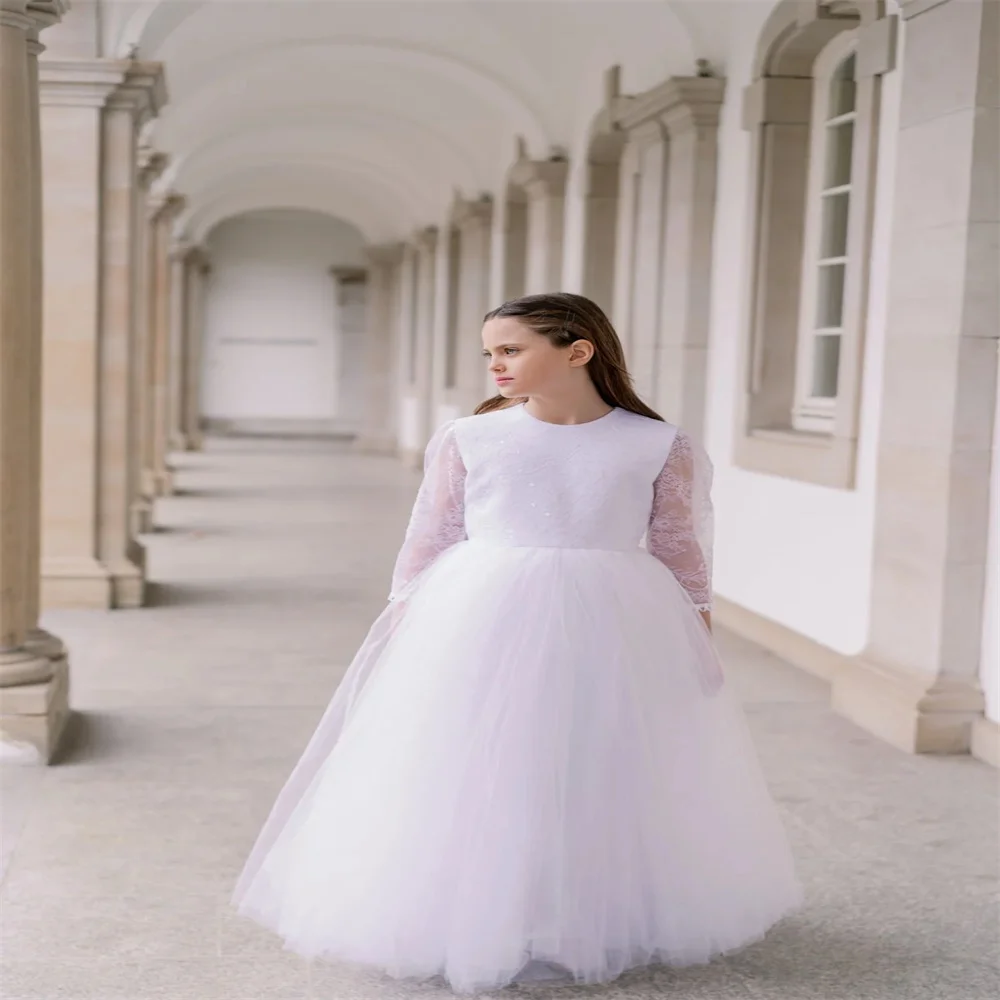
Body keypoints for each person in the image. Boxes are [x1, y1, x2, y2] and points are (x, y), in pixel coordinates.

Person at [231, 292, 802, 994]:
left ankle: (586, 911)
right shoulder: (470, 438)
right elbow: (430, 538)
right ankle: (474, 912)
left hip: (617, 619)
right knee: (479, 762)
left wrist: (698, 640)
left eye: (510, 350)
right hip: (482, 612)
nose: (495, 365)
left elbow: (682, 551)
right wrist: (407, 629)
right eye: (489, 353)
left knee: (596, 758)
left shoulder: (655, 443)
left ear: (578, 350)